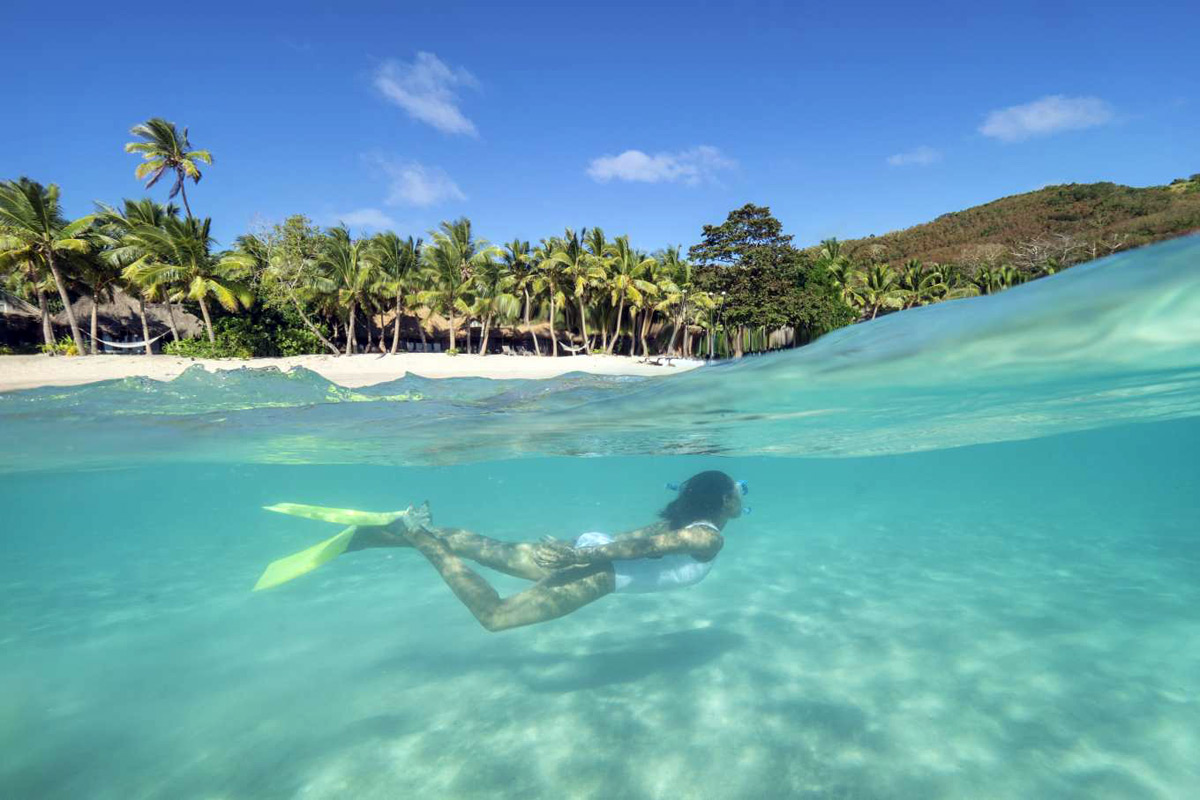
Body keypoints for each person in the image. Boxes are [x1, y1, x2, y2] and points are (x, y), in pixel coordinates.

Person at [346, 470, 747, 632]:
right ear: (725, 502)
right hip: (597, 571)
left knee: (488, 549)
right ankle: (420, 536)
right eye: (738, 492)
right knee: (496, 616)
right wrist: (579, 559)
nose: (741, 497)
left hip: (589, 551)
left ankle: (377, 536)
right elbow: (641, 547)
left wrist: (580, 551)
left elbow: (637, 540)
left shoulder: (675, 522)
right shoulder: (708, 538)